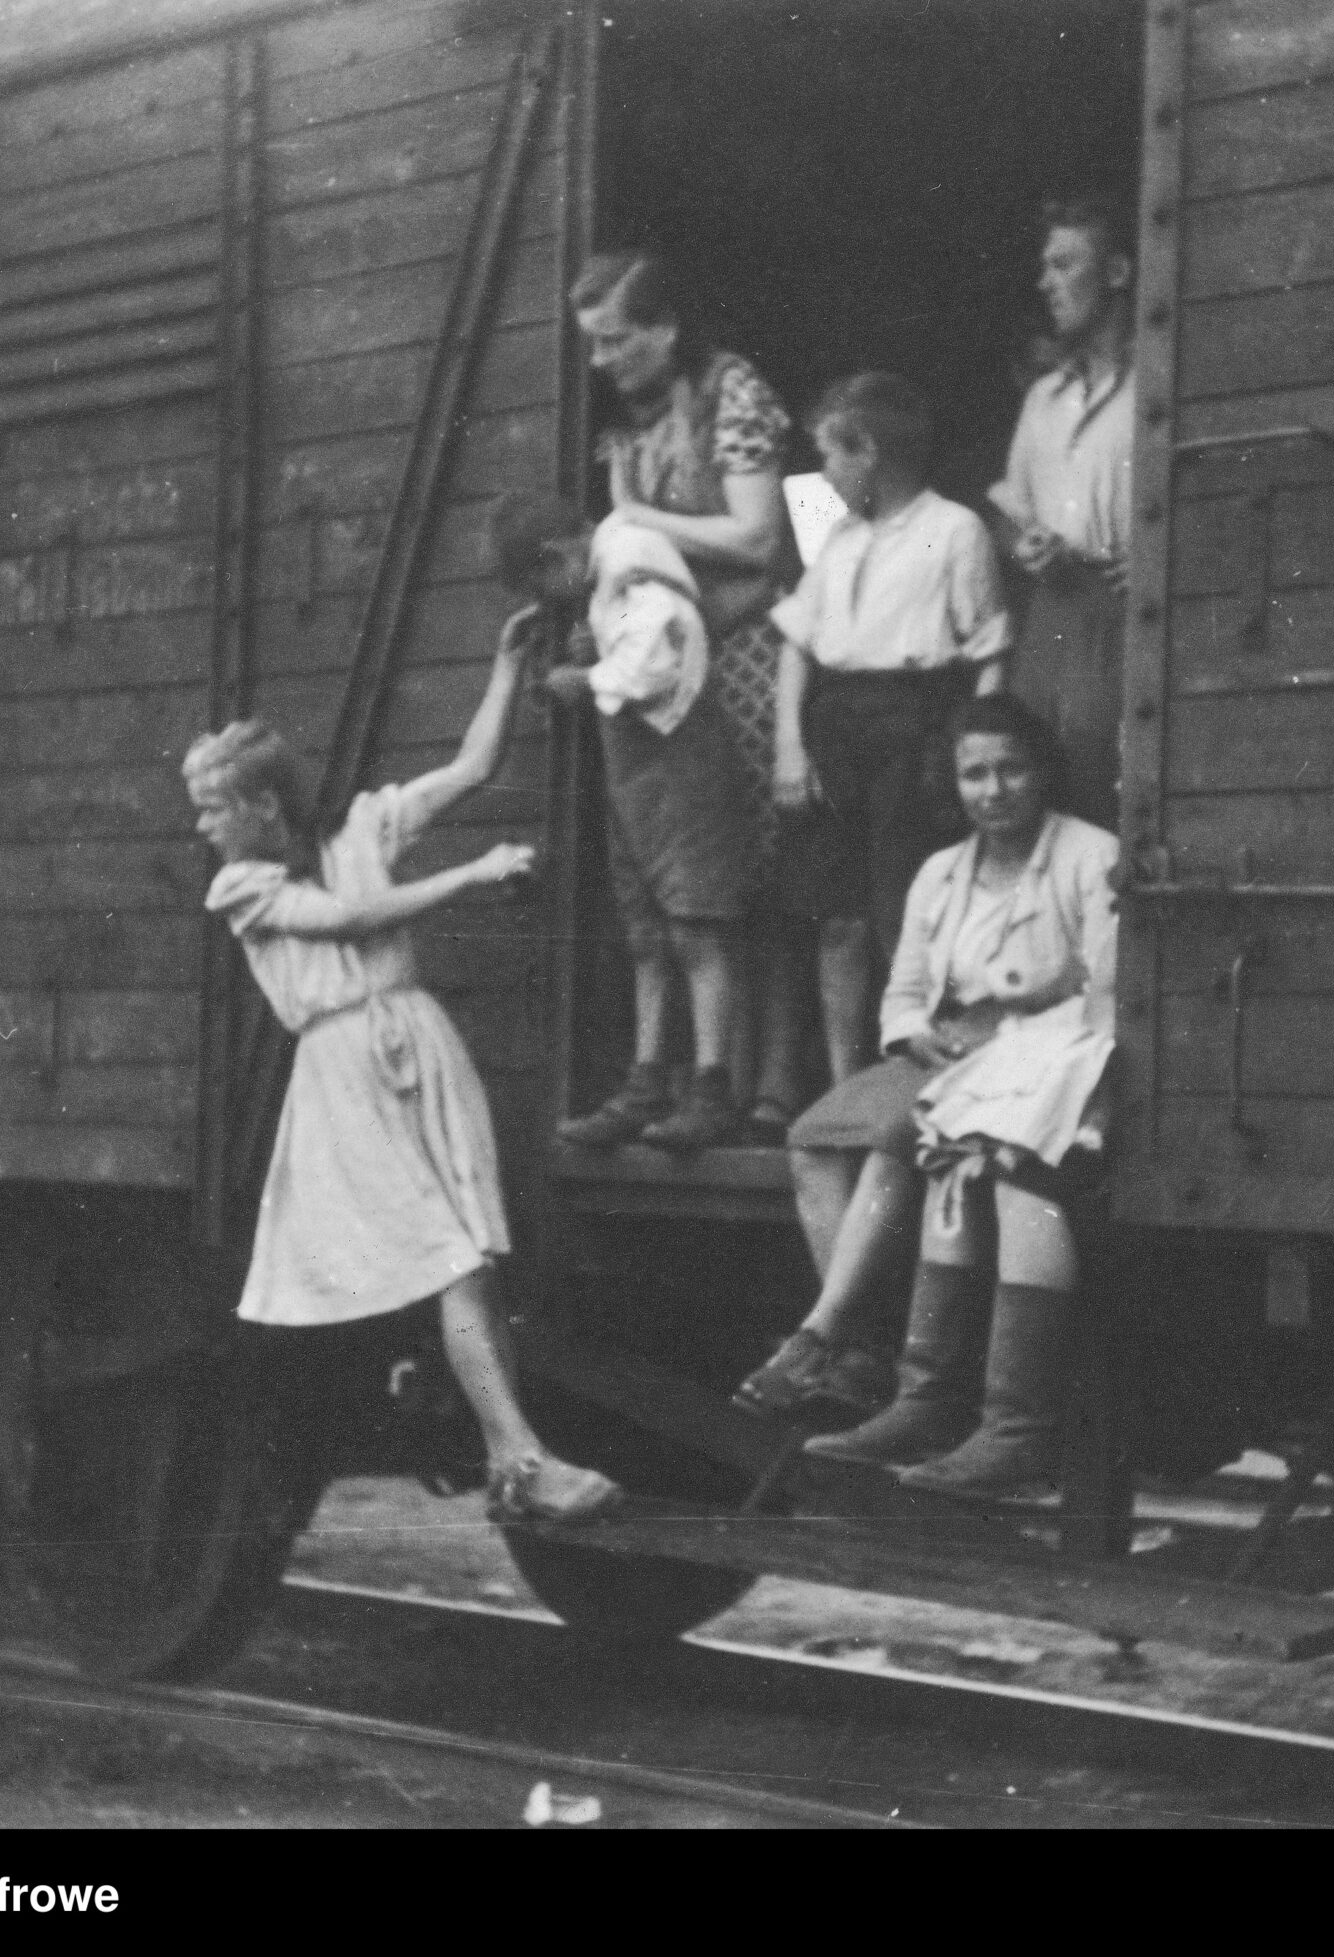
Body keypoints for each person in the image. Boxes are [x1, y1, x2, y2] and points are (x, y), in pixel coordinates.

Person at [183, 629, 620, 1524]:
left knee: (472, 1258)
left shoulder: (362, 827)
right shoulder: (241, 888)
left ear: (264, 804)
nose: (205, 826)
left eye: (213, 808)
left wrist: (503, 666)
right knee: (449, 1258)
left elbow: (473, 765)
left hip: (416, 1041)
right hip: (345, 1072)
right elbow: (347, 918)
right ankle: (519, 1456)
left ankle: (509, 1459)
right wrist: (472, 873)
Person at [739, 700, 1117, 1506]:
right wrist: (917, 1038)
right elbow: (903, 995)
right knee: (835, 1136)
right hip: (949, 1057)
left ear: (1042, 769)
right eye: (974, 773)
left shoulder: (1090, 857)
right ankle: (898, 1375)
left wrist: (1008, 1035)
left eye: (1010, 768)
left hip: (1055, 1058)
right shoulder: (943, 872)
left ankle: (994, 1417)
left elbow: (1104, 992)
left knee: (959, 1156)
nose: (993, 789)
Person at [571, 249, 809, 1144]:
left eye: (616, 340)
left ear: (667, 327)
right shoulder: (624, 423)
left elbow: (757, 536)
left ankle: (774, 1088)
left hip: (752, 653)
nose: (601, 361)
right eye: (592, 345)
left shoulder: (732, 390)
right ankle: (706, 1084)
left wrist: (632, 518)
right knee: (688, 882)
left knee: (766, 870)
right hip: (674, 669)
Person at [491, 491, 756, 1155]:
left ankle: (712, 1088)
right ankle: (646, 1085)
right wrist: (597, 643)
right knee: (648, 932)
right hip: (640, 771)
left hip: (679, 759)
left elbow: (658, 659)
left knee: (695, 925)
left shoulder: (633, 558)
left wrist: (585, 678)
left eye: (548, 586)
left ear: (559, 556)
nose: (557, 599)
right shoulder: (608, 573)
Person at [771, 373, 1011, 1086]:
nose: (823, 476)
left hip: (916, 727)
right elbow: (797, 644)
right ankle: (847, 1083)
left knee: (900, 907)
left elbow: (990, 651)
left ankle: (911, 1076)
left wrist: (965, 751)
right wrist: (791, 746)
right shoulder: (837, 539)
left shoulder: (954, 530)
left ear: (867, 452)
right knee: (835, 914)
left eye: (830, 457)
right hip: (835, 726)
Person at [991, 197, 1135, 831]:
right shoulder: (1042, 399)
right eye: (1043, 265)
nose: (1044, 281)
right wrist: (1023, 545)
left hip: (1120, 611)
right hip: (1051, 616)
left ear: (1117, 272)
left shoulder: (1157, 390)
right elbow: (1008, 513)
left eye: (1064, 264)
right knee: (1036, 789)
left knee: (1101, 792)